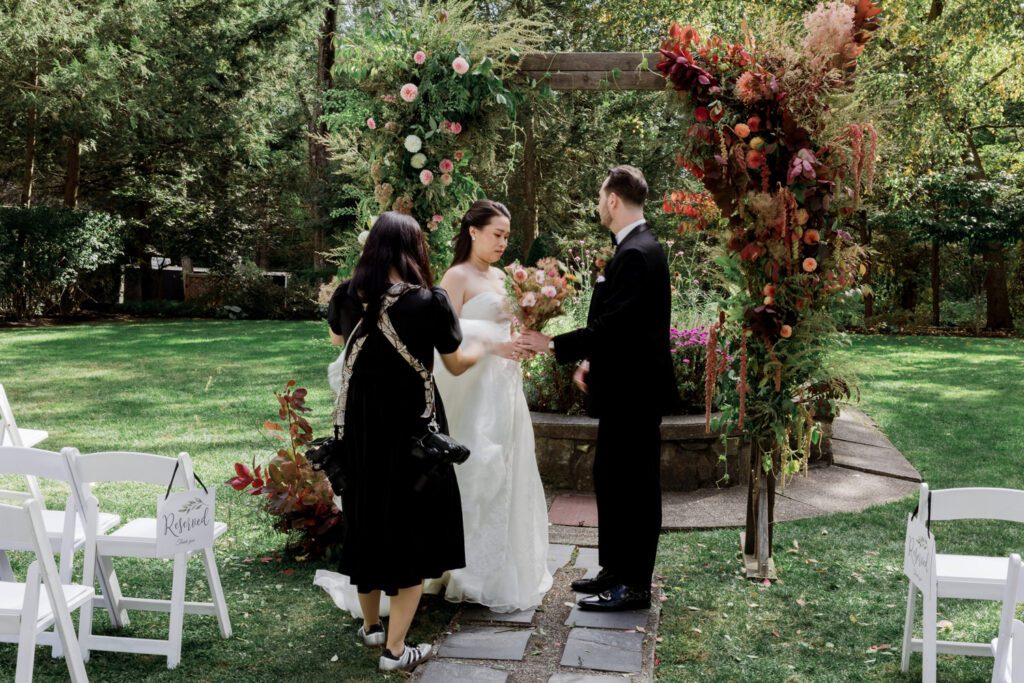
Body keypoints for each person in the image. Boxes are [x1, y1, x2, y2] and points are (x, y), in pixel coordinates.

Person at [314, 211, 483, 672]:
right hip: (411, 429)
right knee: (412, 529)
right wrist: (485, 348)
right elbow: (455, 362)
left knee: (366, 516)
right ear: (413, 249)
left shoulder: (349, 294)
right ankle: (396, 650)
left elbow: (336, 337)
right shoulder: (430, 301)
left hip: (359, 426)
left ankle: (371, 629)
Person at [520, 166, 679, 612]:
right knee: (610, 478)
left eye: (599, 196)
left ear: (613, 199)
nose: (597, 204)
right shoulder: (631, 248)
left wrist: (553, 344)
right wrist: (591, 359)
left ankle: (634, 585)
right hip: (621, 385)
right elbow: (624, 326)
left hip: (636, 391)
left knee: (635, 486)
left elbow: (615, 326)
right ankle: (613, 569)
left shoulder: (637, 253)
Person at [426, 199, 553, 612]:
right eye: (496, 234)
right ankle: (458, 568)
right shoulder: (456, 276)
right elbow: (443, 337)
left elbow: (509, 327)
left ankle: (498, 567)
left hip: (504, 386)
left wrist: (522, 342)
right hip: (470, 388)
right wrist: (496, 345)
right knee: (475, 466)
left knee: (508, 468)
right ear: (473, 232)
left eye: (506, 236)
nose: (503, 242)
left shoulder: (503, 277)